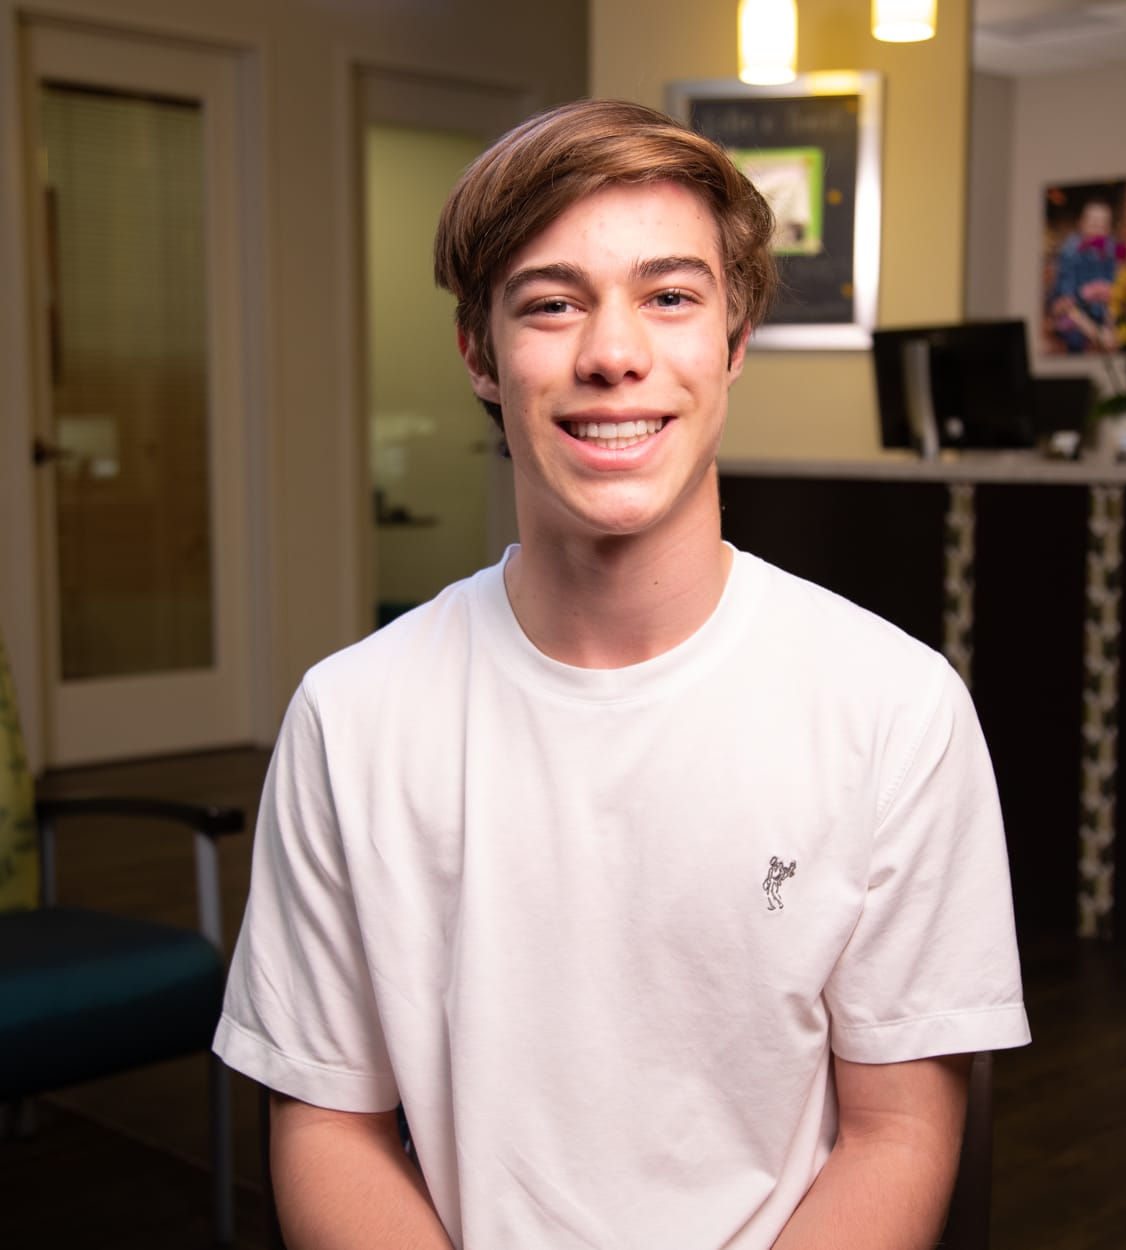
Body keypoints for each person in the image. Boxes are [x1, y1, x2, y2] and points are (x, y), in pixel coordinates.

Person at [214, 98, 1030, 1249]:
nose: (611, 352)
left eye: (668, 295)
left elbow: (894, 1132)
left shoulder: (892, 711)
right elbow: (325, 1125)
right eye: (550, 303)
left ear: (732, 342)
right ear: (479, 355)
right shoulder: (351, 718)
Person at [1048, 198, 1123, 354]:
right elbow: (1066, 304)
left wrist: (1110, 328)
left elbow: (1115, 296)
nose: (1098, 229)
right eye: (1093, 223)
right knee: (1075, 340)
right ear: (1081, 223)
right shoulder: (1070, 252)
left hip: (1103, 318)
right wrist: (1097, 334)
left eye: (1103, 225)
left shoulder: (1111, 251)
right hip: (1076, 318)